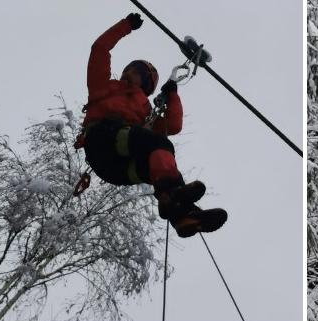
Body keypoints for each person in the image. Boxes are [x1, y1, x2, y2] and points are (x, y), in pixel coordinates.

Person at [76, 13, 226, 238]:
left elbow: (173, 126)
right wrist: (126, 26)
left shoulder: (146, 111)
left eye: (138, 73)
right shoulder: (103, 87)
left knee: (161, 150)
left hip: (118, 170)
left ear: (146, 84)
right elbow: (99, 49)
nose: (129, 73)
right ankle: (175, 199)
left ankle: (182, 214)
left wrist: (172, 96)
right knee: (152, 142)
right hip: (101, 139)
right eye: (130, 68)